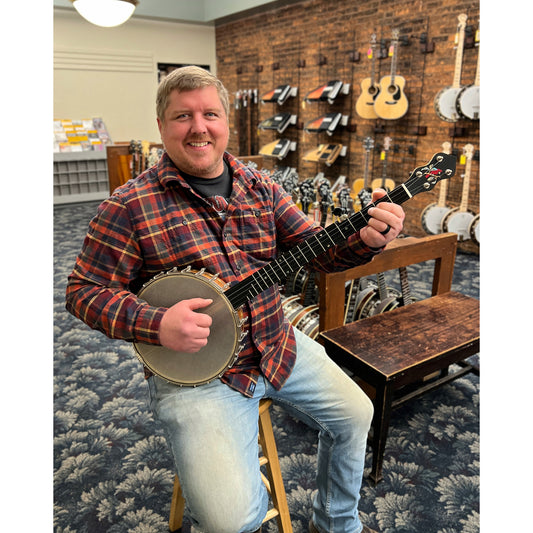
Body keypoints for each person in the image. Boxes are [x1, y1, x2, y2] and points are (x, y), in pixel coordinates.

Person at [66, 65, 405, 533]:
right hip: (198, 377)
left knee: (356, 413)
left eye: (210, 114)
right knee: (230, 521)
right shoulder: (128, 207)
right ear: (162, 126)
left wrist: (365, 238)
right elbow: (83, 291)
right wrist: (155, 324)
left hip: (275, 342)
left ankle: (336, 523)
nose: (199, 127)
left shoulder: (260, 187)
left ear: (226, 122)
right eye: (183, 116)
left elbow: (316, 250)